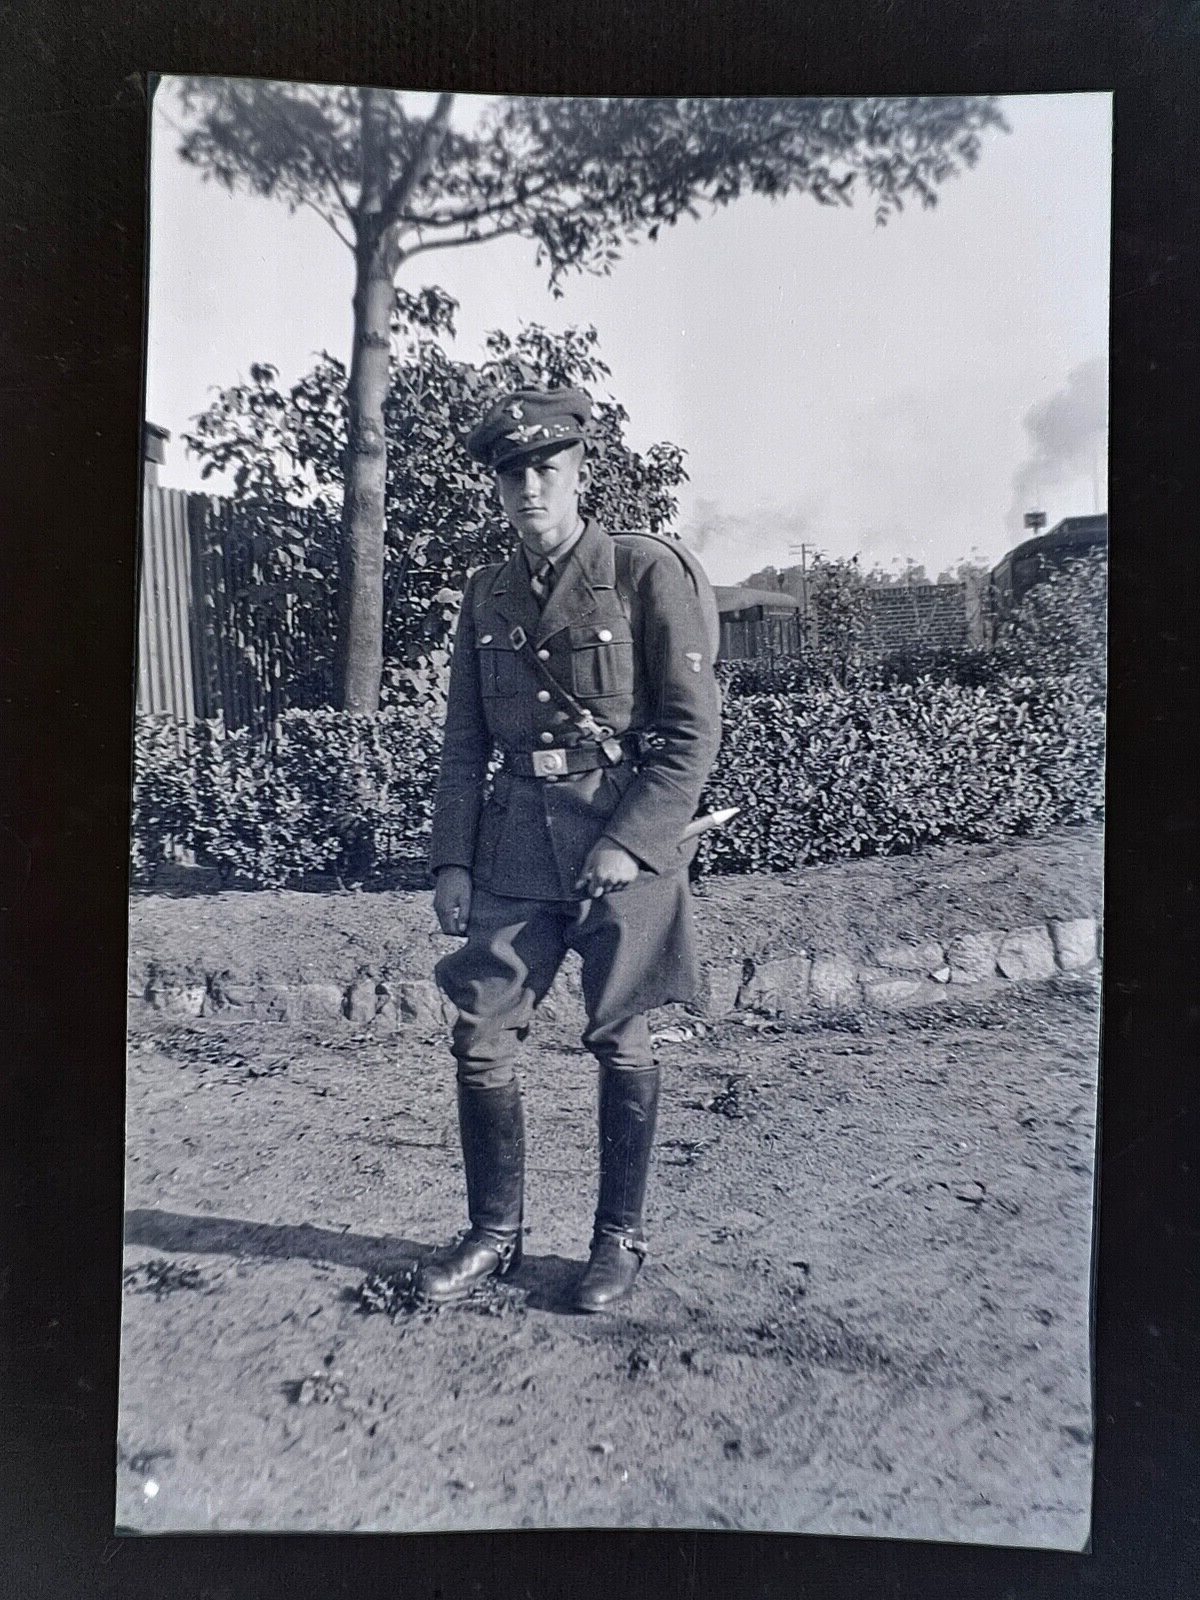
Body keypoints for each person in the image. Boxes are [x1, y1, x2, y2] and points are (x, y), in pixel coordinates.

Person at [417, 386, 722, 1312]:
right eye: (511, 476)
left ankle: (617, 1241)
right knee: (481, 1038)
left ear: (580, 472)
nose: (529, 491)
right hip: (514, 843)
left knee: (621, 1036)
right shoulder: (487, 593)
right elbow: (464, 742)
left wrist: (632, 842)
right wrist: (453, 860)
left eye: (546, 470)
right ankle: (493, 1235)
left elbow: (691, 731)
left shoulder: (640, 572)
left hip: (618, 836)